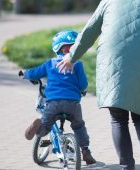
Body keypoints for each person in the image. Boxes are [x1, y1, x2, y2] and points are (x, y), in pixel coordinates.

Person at [56, 0, 140, 169]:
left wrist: (72, 56)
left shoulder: (108, 2)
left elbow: (89, 32)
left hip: (113, 66)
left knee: (118, 119)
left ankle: (127, 165)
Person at [22, 30, 96, 165]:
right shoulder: (78, 64)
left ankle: (37, 127)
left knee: (45, 126)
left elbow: (34, 73)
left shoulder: (49, 63)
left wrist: (24, 73)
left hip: (53, 103)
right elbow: (83, 84)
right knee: (79, 126)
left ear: (57, 47)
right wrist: (82, 90)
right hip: (73, 104)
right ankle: (86, 151)